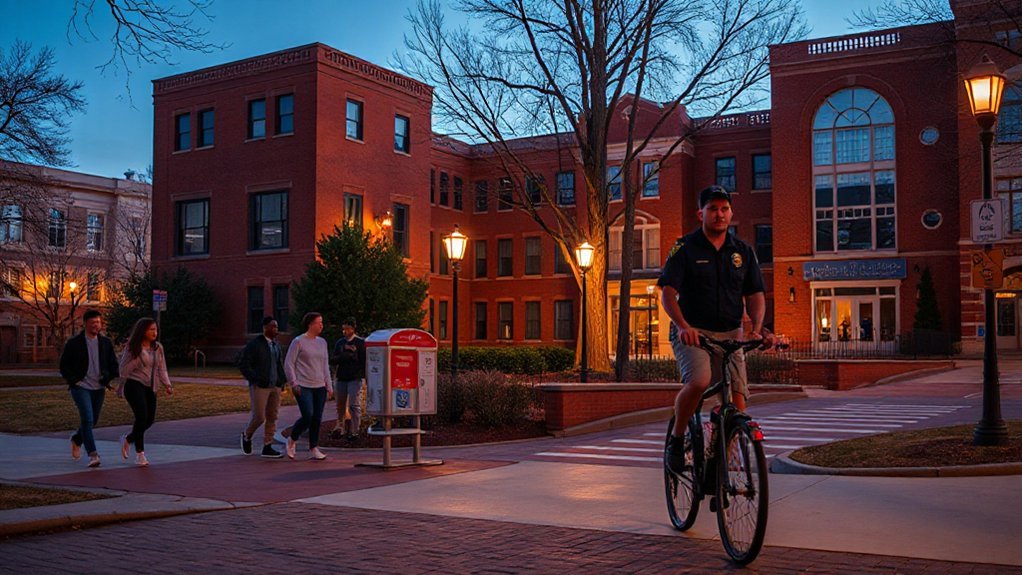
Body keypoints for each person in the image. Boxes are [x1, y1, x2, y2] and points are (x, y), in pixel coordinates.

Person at [659, 185, 774, 475]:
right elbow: (668, 293)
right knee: (699, 381)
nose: (719, 214)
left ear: (731, 212)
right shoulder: (684, 248)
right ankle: (676, 440)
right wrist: (683, 327)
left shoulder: (743, 252)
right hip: (693, 331)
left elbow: (756, 294)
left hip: (730, 334)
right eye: (713, 209)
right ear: (701, 213)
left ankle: (720, 464)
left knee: (738, 401)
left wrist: (757, 329)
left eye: (724, 208)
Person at [59, 309, 120, 468]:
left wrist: (107, 377)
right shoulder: (74, 343)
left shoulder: (105, 343)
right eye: (93, 322)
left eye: (98, 322)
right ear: (85, 323)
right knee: (87, 418)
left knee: (93, 420)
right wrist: (73, 381)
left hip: (98, 387)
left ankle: (77, 439)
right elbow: (64, 365)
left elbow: (114, 365)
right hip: (81, 386)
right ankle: (93, 454)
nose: (96, 325)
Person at [117, 317, 173, 466]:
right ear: (143, 331)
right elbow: (122, 370)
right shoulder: (132, 347)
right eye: (151, 329)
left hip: (151, 386)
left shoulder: (158, 347)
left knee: (149, 420)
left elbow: (162, 367)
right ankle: (140, 454)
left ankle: (128, 439)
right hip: (134, 384)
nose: (154, 332)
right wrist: (136, 361)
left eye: (155, 329)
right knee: (141, 417)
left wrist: (167, 384)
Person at [284, 312, 333, 460]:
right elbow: (289, 363)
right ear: (310, 324)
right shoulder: (298, 341)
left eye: (322, 322)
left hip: (320, 386)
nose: (321, 325)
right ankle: (292, 439)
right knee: (308, 415)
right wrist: (294, 382)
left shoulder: (322, 342)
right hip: (303, 385)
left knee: (317, 417)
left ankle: (314, 446)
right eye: (319, 322)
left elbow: (325, 365)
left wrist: (329, 385)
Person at [238, 316, 287, 458]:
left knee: (273, 416)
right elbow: (244, 363)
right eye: (273, 326)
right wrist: (255, 378)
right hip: (260, 386)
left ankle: (268, 445)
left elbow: (279, 364)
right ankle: (247, 435)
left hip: (275, 385)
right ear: (265, 328)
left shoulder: (276, 345)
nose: (276, 329)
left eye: (277, 327)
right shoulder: (255, 345)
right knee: (259, 416)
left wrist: (281, 381)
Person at [330, 317, 367, 443]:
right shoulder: (340, 343)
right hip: (342, 377)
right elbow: (333, 359)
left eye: (347, 329)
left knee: (353, 405)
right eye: (343, 329)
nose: (345, 332)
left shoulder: (360, 343)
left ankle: (355, 430)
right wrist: (342, 356)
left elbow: (363, 361)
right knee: (340, 405)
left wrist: (362, 375)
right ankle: (340, 427)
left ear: (353, 329)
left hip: (354, 378)